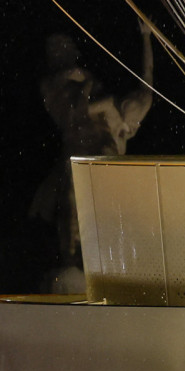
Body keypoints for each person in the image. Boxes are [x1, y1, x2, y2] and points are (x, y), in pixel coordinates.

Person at [31, 23, 153, 283]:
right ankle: (72, 259)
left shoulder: (110, 119)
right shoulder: (57, 84)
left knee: (96, 211)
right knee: (73, 205)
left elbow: (146, 85)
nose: (58, 53)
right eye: (55, 50)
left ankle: (90, 262)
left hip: (93, 157)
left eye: (61, 48)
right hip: (78, 153)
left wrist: (146, 37)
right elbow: (144, 85)